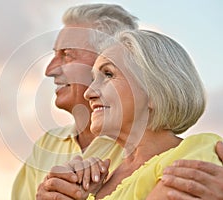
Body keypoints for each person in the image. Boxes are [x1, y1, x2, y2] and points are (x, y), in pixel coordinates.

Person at [39, 29, 223, 200]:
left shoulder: (197, 150)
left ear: (154, 90)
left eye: (108, 74)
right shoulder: (96, 183)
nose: (89, 93)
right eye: (94, 79)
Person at [11, 4, 139, 200]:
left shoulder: (144, 149)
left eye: (67, 55)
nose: (50, 70)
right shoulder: (48, 144)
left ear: (110, 62)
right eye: (55, 55)